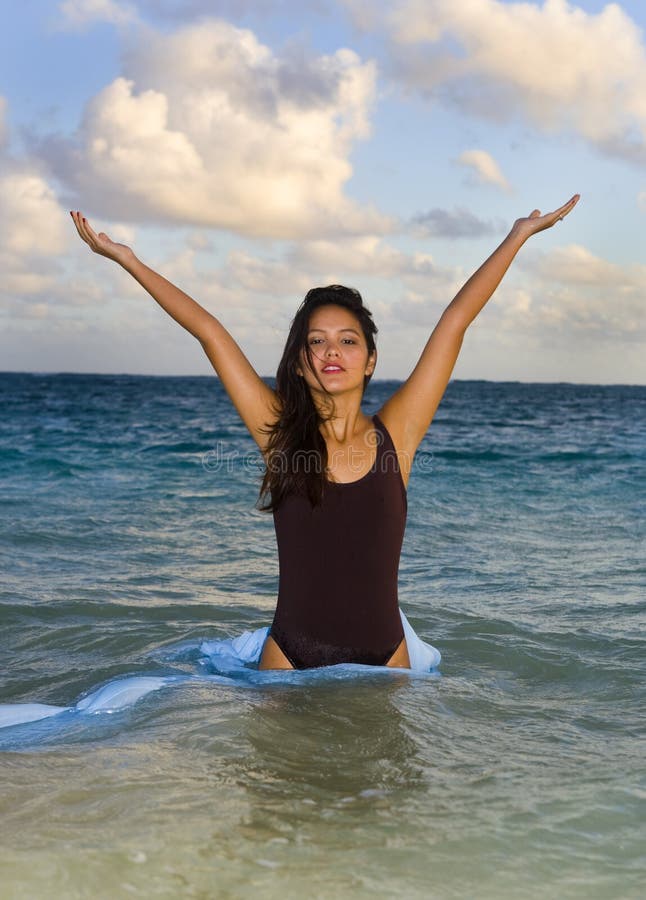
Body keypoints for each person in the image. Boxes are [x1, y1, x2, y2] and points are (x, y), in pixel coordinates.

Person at [70, 194, 579, 671]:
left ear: (370, 359)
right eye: (317, 341)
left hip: (386, 658)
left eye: (347, 340)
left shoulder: (395, 436)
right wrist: (128, 260)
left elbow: (455, 321)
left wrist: (517, 237)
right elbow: (210, 332)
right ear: (299, 361)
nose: (332, 351)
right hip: (290, 656)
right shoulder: (278, 437)